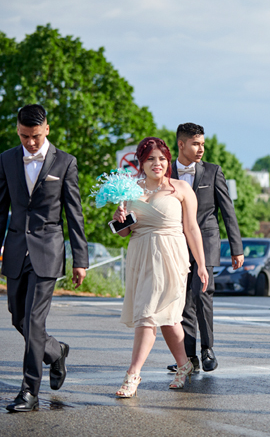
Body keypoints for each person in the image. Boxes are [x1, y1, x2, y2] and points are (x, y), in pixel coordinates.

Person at [0, 104, 89, 412]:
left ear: (46, 129)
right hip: (15, 249)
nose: (29, 142)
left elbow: (75, 215)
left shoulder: (66, 162)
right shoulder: (7, 160)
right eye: (23, 136)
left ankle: (29, 392)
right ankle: (56, 351)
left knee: (33, 320)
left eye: (34, 136)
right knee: (18, 316)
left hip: (48, 250)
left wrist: (79, 259)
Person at [112, 137, 209, 397]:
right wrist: (118, 218)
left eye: (162, 159)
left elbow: (191, 228)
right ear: (141, 163)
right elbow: (123, 233)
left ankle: (132, 375)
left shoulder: (180, 189)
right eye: (151, 159)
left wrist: (201, 264)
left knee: (147, 315)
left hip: (171, 257)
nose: (158, 163)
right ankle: (184, 365)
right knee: (168, 320)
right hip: (140, 256)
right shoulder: (129, 190)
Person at [167, 123, 244, 374]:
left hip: (207, 241)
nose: (201, 149)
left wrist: (237, 248)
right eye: (195, 144)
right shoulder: (167, 173)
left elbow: (227, 211)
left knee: (202, 294)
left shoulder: (213, 171)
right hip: (177, 243)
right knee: (183, 301)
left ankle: (207, 348)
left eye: (202, 144)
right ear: (181, 144)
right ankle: (188, 357)